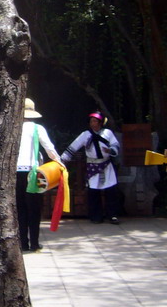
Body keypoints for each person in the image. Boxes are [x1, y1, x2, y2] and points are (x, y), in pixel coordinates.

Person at [15, 99, 63, 251]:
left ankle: (23, 243)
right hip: (33, 174)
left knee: (20, 209)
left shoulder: (12, 129)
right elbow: (49, 148)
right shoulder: (37, 129)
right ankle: (34, 243)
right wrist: (60, 162)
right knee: (34, 209)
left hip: (15, 173)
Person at [61, 111, 121, 224]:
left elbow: (115, 145)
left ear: (101, 122)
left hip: (106, 165)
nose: (93, 123)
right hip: (93, 166)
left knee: (111, 191)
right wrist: (62, 159)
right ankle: (96, 216)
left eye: (95, 121)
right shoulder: (85, 135)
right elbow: (73, 146)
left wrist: (110, 150)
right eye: (91, 121)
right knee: (94, 191)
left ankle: (112, 215)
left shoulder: (107, 133)